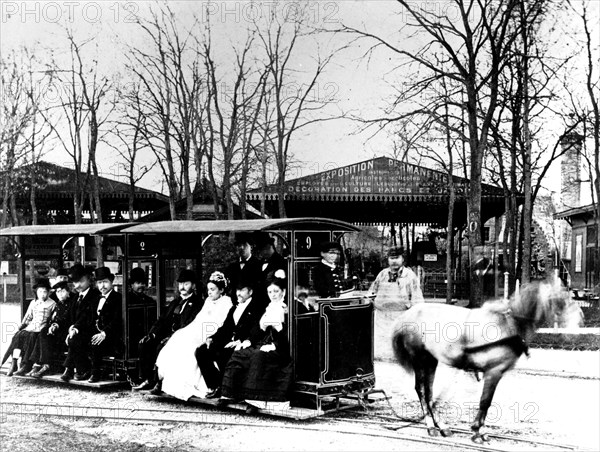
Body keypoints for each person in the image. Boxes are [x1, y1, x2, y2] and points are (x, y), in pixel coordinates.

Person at [154, 271, 233, 400]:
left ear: (222, 290)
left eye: (213, 289)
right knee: (178, 339)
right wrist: (188, 331)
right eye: (208, 290)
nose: (210, 293)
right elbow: (198, 319)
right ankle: (167, 381)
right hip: (199, 328)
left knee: (190, 347)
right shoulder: (208, 301)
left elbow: (219, 323)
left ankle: (200, 384)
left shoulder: (226, 303)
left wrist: (204, 334)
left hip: (211, 332)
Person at [219, 274, 293, 414]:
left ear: (283, 291)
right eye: (270, 292)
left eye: (276, 291)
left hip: (281, 347)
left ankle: (256, 400)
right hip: (264, 342)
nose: (273, 295)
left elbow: (289, 333)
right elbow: (258, 330)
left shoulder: (286, 308)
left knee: (258, 356)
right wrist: (248, 341)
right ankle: (230, 394)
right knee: (239, 354)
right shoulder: (269, 307)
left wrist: (275, 344)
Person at [195, 276, 266, 399]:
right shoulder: (234, 308)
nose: (238, 293)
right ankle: (216, 385)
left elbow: (256, 329)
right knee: (202, 351)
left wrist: (241, 341)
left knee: (224, 354)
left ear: (250, 292)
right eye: (237, 290)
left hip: (245, 343)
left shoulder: (256, 308)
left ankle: (228, 390)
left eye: (242, 290)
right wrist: (212, 338)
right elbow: (225, 328)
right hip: (229, 341)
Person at [133, 269, 204, 391]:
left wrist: (172, 337)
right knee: (145, 344)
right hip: (167, 335)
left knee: (161, 347)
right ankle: (147, 379)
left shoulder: (198, 303)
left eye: (186, 284)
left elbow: (190, 324)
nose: (182, 287)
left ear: (193, 285)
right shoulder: (175, 302)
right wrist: (152, 334)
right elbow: (162, 320)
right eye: (180, 284)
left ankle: (158, 382)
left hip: (183, 337)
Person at [1, 278, 56, 376]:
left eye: (44, 292)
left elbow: (53, 319)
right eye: (40, 291)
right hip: (31, 327)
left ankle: (26, 365)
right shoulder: (33, 302)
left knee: (31, 337)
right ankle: (14, 362)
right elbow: (28, 316)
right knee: (17, 336)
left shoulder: (52, 303)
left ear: (48, 292)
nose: (42, 294)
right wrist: (22, 325)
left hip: (41, 329)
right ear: (36, 292)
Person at [61, 264, 102, 381]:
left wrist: (75, 328)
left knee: (75, 339)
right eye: (75, 282)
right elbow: (68, 316)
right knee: (71, 337)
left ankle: (77, 369)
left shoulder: (95, 296)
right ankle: (72, 369)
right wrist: (69, 328)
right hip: (76, 330)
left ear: (89, 279)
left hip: (90, 329)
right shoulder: (75, 298)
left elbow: (88, 317)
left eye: (80, 281)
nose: (77, 285)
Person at [28, 280, 76, 378]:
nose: (60, 294)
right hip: (57, 332)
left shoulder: (72, 303)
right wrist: (53, 325)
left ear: (68, 291)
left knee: (44, 336)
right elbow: (55, 319)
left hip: (66, 333)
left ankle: (45, 365)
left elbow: (70, 320)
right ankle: (38, 364)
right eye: (58, 292)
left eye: (62, 291)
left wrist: (57, 326)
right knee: (43, 332)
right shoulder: (59, 304)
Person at [88, 266, 123, 383]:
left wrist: (104, 333)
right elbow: (91, 319)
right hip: (96, 332)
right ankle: (81, 370)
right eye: (99, 283)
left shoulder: (118, 298)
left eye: (105, 282)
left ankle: (95, 373)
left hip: (112, 335)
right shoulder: (95, 299)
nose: (102, 286)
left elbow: (117, 320)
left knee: (96, 343)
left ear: (111, 282)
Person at [224, 233, 262, 299]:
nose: (241, 247)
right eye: (239, 245)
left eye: (245, 245)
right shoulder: (232, 267)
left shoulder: (259, 265)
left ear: (251, 247)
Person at [255, 233, 287, 308]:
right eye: (262, 249)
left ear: (272, 246)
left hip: (273, 301)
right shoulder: (258, 264)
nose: (265, 252)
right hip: (259, 302)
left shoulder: (281, 262)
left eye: (267, 248)